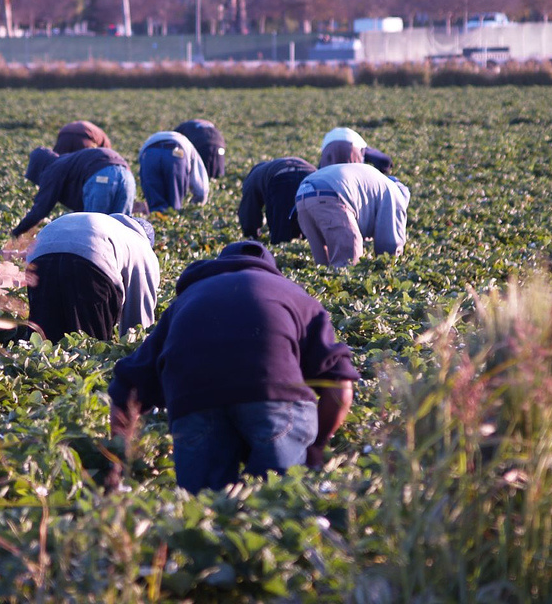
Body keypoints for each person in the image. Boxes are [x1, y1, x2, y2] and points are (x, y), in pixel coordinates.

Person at [108, 241, 358, 494]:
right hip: (275, 398)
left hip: (195, 400)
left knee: (206, 511)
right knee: (280, 507)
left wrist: (117, 466)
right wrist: (316, 446)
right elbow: (341, 387)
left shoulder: (186, 301)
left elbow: (127, 386)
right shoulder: (294, 295)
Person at [26, 212, 160, 342]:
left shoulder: (108, 225)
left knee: (44, 336)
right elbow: (139, 319)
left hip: (40, 254)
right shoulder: (142, 247)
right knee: (88, 342)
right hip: (91, 260)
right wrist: (134, 350)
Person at [295, 162, 410, 267]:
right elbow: (390, 244)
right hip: (331, 194)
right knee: (348, 262)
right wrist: (389, 266)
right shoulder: (395, 194)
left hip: (302, 195)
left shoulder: (378, 182)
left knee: (322, 265)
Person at [12, 147, 135, 237]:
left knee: (93, 231)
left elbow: (41, 209)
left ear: (38, 167)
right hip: (127, 176)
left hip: (101, 176)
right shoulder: (66, 162)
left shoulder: (52, 169)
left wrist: (16, 232)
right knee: (119, 230)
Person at [238, 157, 317, 244]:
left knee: (281, 230)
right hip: (313, 176)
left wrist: (251, 234)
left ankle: (284, 250)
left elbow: (249, 209)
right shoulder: (263, 171)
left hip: (282, 177)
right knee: (311, 227)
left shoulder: (252, 179)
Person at [137, 131, 209, 213]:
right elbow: (199, 179)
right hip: (176, 153)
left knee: (155, 205)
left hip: (150, 153)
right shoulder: (187, 144)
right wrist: (198, 201)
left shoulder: (153, 138)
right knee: (173, 205)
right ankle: (171, 216)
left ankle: (156, 219)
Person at [318, 126, 394, 175]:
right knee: (353, 175)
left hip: (329, 145)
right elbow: (383, 159)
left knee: (325, 175)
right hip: (351, 145)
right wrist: (383, 171)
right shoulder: (361, 146)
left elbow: (319, 170)